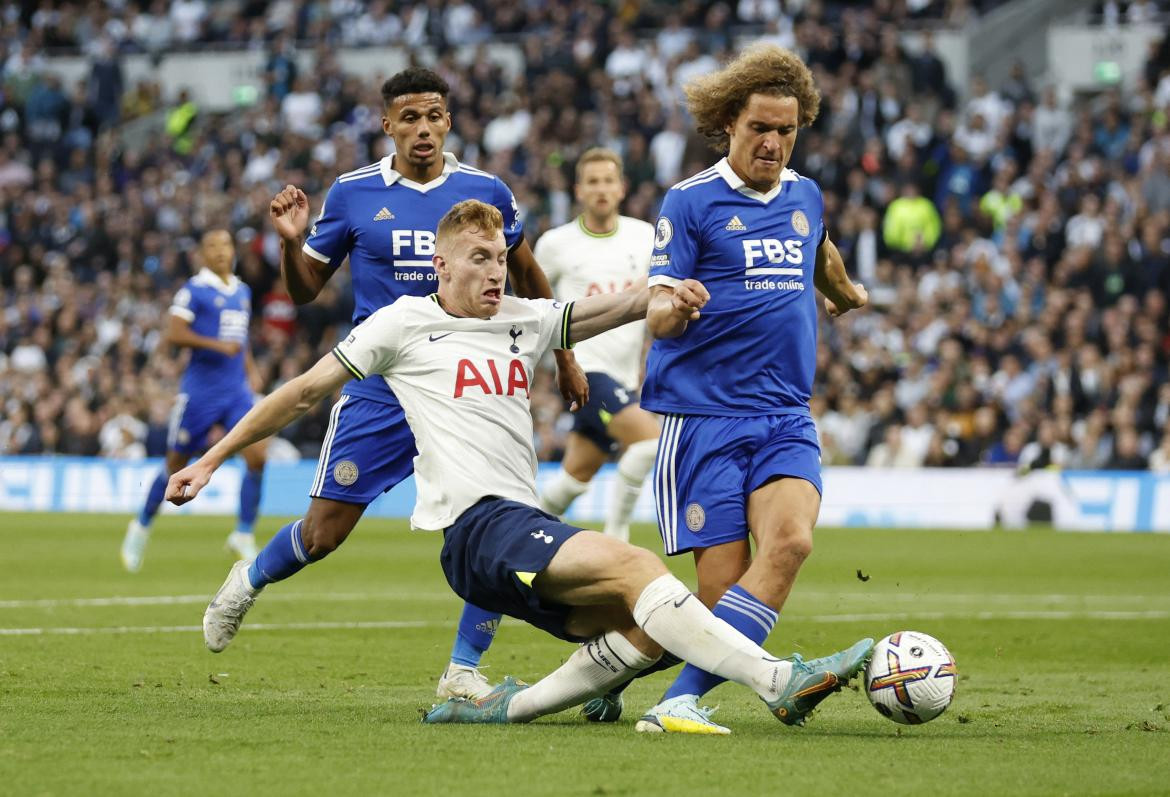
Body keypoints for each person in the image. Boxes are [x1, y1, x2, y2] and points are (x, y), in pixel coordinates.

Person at [167, 200, 872, 733]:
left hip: (519, 528)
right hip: (476, 530)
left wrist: (669, 291)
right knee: (641, 571)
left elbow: (618, 306)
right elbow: (300, 393)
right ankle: (777, 678)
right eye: (478, 257)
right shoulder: (402, 323)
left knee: (658, 624)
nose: (495, 268)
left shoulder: (522, 318)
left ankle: (508, 707)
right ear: (440, 265)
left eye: (501, 256)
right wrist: (209, 459)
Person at [205, 67, 587, 704]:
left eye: (433, 116)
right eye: (409, 118)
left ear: (448, 120)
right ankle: (249, 580)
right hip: (382, 382)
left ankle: (463, 669)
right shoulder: (355, 194)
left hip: (467, 384)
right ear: (387, 125)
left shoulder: (483, 190)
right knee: (324, 532)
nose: (423, 129)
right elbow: (304, 291)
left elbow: (524, 270)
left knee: (490, 528)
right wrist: (292, 244)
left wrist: (565, 359)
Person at [630, 44, 869, 734]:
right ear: (729, 122)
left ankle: (678, 701)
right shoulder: (690, 202)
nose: (773, 143)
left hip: (783, 413)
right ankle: (615, 662)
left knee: (790, 544)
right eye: (760, 128)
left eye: (786, 131)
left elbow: (817, 248)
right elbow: (657, 312)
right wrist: (677, 308)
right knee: (716, 596)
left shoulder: (805, 193)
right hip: (703, 417)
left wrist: (845, 293)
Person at [121, 228, 268, 572]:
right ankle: (141, 526)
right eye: (213, 247)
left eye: (226, 245)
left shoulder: (242, 291)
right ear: (202, 254)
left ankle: (243, 533)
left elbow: (240, 338)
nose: (221, 252)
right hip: (201, 393)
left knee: (258, 456)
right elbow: (174, 333)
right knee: (176, 464)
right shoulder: (194, 290)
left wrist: (250, 368)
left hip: (236, 392)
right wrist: (218, 346)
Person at [535, 148, 659, 543]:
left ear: (621, 188)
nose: (601, 189)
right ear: (578, 191)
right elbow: (535, 304)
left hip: (623, 375)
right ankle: (617, 539)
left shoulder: (645, 237)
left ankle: (520, 537)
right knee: (651, 444)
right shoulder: (556, 244)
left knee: (573, 479)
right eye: (592, 182)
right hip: (584, 371)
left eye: (608, 180)